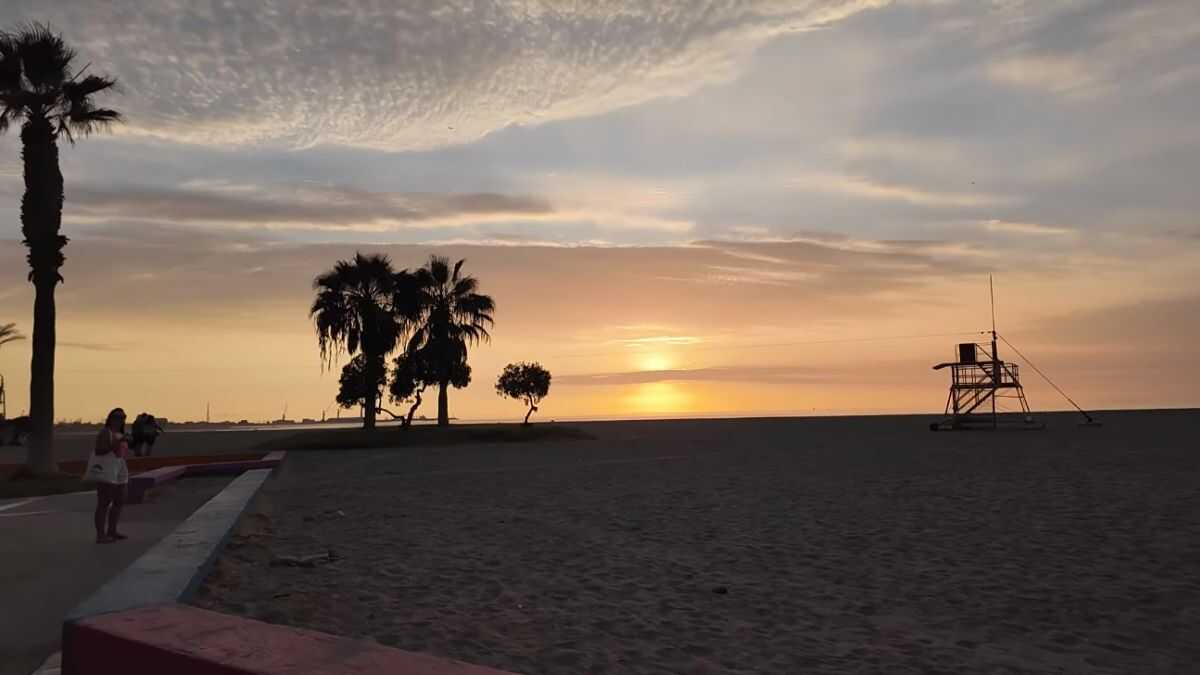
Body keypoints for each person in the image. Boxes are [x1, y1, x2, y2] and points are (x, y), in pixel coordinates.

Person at [91, 408, 130, 543]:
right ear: (110, 418)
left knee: (119, 500)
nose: (120, 420)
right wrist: (116, 443)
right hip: (106, 469)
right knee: (104, 502)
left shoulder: (120, 433)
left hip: (119, 467)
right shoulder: (105, 433)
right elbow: (99, 450)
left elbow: (121, 453)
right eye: (117, 417)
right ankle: (100, 535)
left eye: (123, 417)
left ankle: (112, 530)